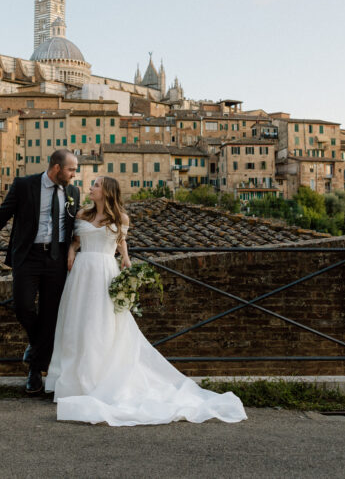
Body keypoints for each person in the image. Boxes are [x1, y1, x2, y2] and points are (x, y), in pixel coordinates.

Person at [44, 176, 247, 426]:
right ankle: (73, 380)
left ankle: (97, 377)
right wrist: (72, 252)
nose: (90, 188)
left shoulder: (121, 219)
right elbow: (75, 241)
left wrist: (128, 264)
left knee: (101, 325)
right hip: (81, 273)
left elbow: (121, 242)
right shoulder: (82, 215)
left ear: (107, 191)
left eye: (95, 185)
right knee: (76, 324)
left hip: (105, 273)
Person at [0, 149, 79, 394]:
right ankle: (37, 347)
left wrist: (77, 249)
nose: (74, 174)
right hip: (28, 256)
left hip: (57, 259)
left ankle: (35, 371)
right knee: (23, 305)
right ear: (57, 168)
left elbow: (74, 225)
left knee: (50, 314)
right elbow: (2, 215)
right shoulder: (25, 185)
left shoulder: (73, 192)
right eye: (71, 169)